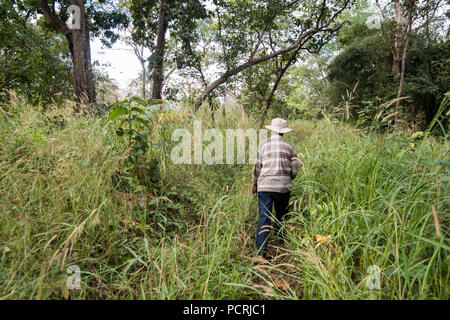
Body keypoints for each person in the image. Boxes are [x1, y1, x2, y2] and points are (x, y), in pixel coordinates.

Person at [252, 118, 300, 259]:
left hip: (265, 186)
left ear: (272, 130)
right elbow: (295, 168)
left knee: (264, 217)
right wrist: (288, 178)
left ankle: (261, 251)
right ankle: (281, 244)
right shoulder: (289, 147)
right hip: (283, 187)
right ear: (283, 132)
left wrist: (255, 183)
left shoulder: (263, 145)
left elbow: (257, 167)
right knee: (281, 215)